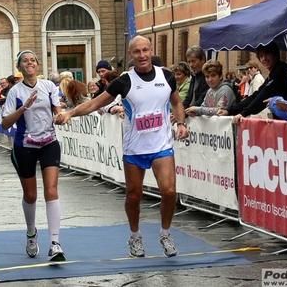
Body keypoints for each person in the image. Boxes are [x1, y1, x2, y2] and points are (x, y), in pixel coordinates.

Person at [54, 35, 188, 258]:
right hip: (134, 148)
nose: (142, 55)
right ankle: (135, 236)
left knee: (170, 192)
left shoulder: (166, 76)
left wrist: (181, 122)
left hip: (161, 146)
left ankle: (165, 233)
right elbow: (95, 103)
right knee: (134, 196)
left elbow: (176, 102)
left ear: (151, 50)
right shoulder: (124, 81)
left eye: (146, 50)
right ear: (131, 55)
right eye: (137, 52)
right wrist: (69, 113)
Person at [1, 50, 66, 262]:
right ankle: (31, 233)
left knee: (51, 189)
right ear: (19, 67)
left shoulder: (48, 86)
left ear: (38, 65)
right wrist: (24, 108)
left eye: (32, 60)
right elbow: (5, 123)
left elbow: (57, 109)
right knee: (31, 196)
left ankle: (55, 243)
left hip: (49, 143)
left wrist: (60, 116)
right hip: (24, 146)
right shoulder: (15, 92)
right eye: (24, 61)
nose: (29, 63)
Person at [217, 41, 287, 124]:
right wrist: (230, 110)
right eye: (261, 56)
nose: (264, 59)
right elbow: (256, 95)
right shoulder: (273, 73)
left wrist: (244, 113)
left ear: (275, 55)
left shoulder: (281, 71)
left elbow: (263, 96)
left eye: (267, 54)